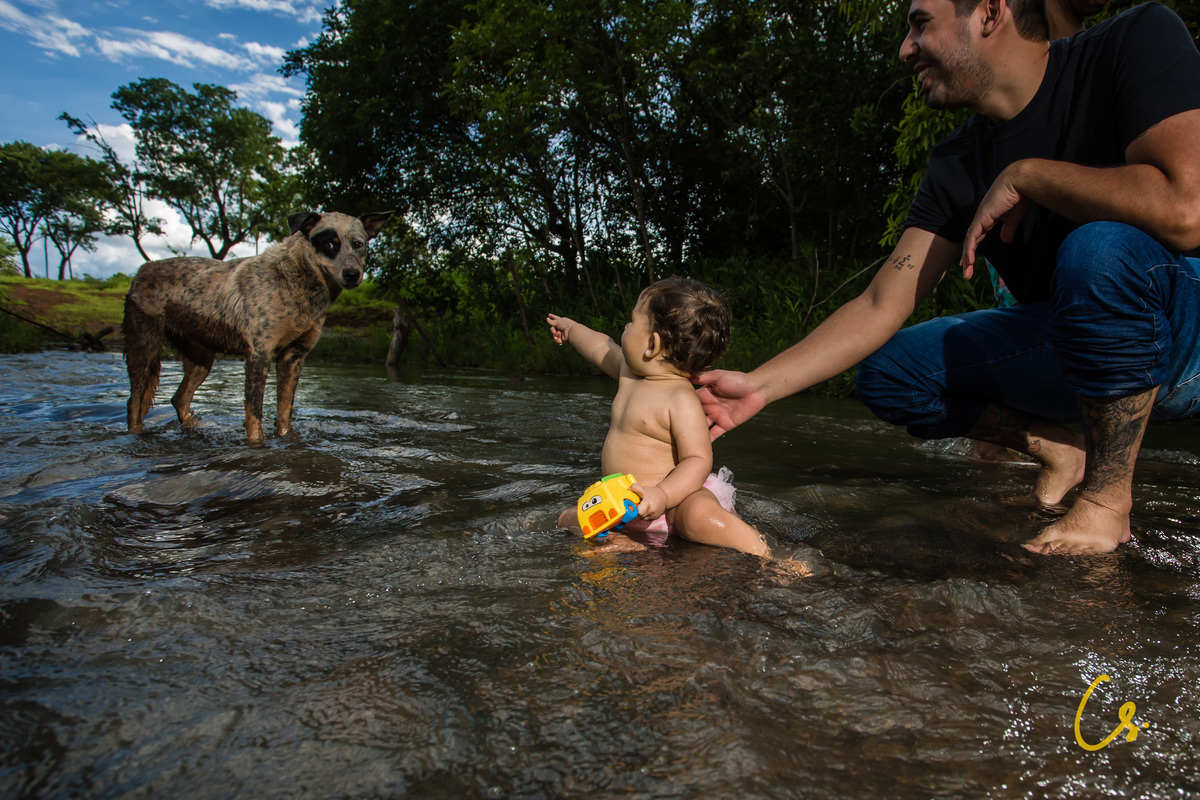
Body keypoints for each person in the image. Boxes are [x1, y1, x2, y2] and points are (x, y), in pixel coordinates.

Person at [696, 0, 1200, 555]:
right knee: (889, 370)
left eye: (919, 24)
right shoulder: (957, 162)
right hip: (1078, 349)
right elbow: (880, 304)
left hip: (1183, 334)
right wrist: (759, 387)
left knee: (1098, 248)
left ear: (988, 12)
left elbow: (1186, 209)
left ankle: (1105, 503)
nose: (905, 49)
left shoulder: (1134, 41)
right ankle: (1061, 448)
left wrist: (1030, 175)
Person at [548, 277, 771, 556]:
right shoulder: (628, 373)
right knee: (570, 518)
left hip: (676, 501)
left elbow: (698, 459)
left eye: (632, 322)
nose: (625, 328)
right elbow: (599, 347)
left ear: (651, 345)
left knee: (700, 516)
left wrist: (663, 495)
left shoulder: (680, 398)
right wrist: (571, 328)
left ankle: (765, 553)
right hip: (625, 507)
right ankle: (624, 542)